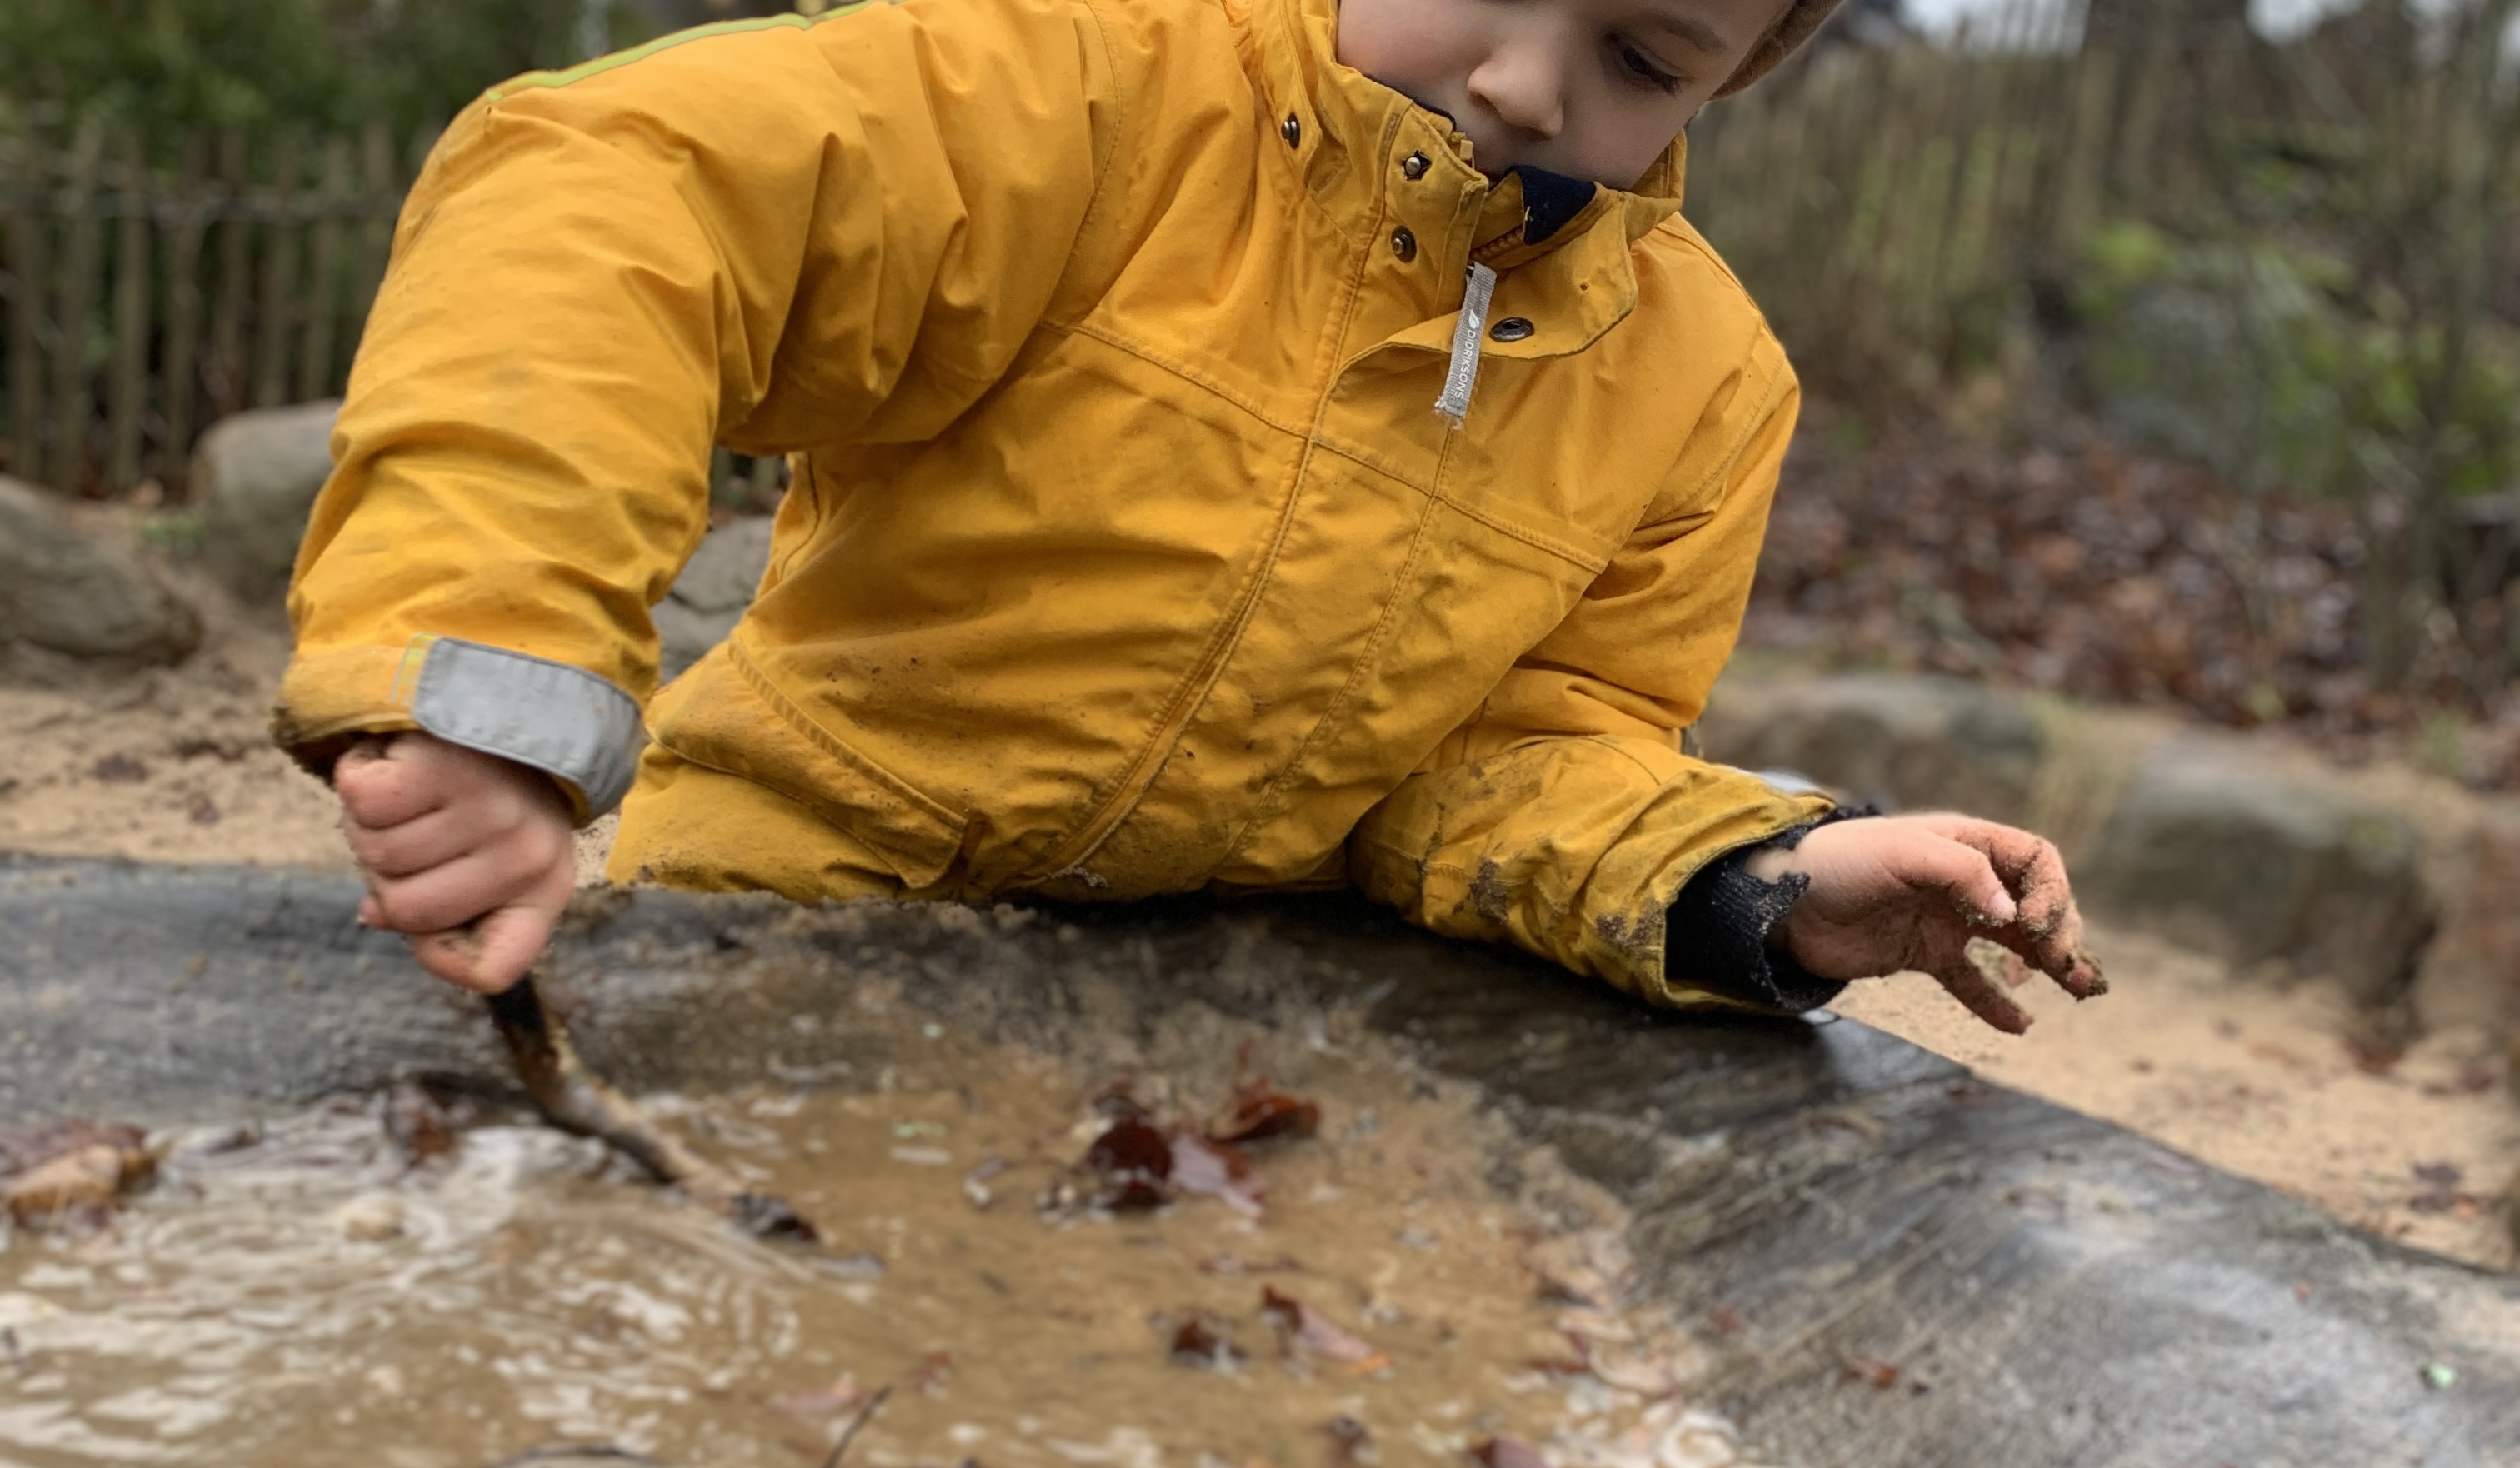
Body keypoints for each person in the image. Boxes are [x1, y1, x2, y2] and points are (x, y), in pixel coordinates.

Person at [279, 0, 2103, 1037]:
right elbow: (618, 197)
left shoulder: (1701, 384)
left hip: (1226, 1007)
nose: (1529, 84)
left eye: (1643, 54)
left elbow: (1523, 755)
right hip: (798, 901)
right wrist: (491, 675)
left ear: (1733, 76)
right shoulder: (1091, 94)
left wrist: (1760, 880)